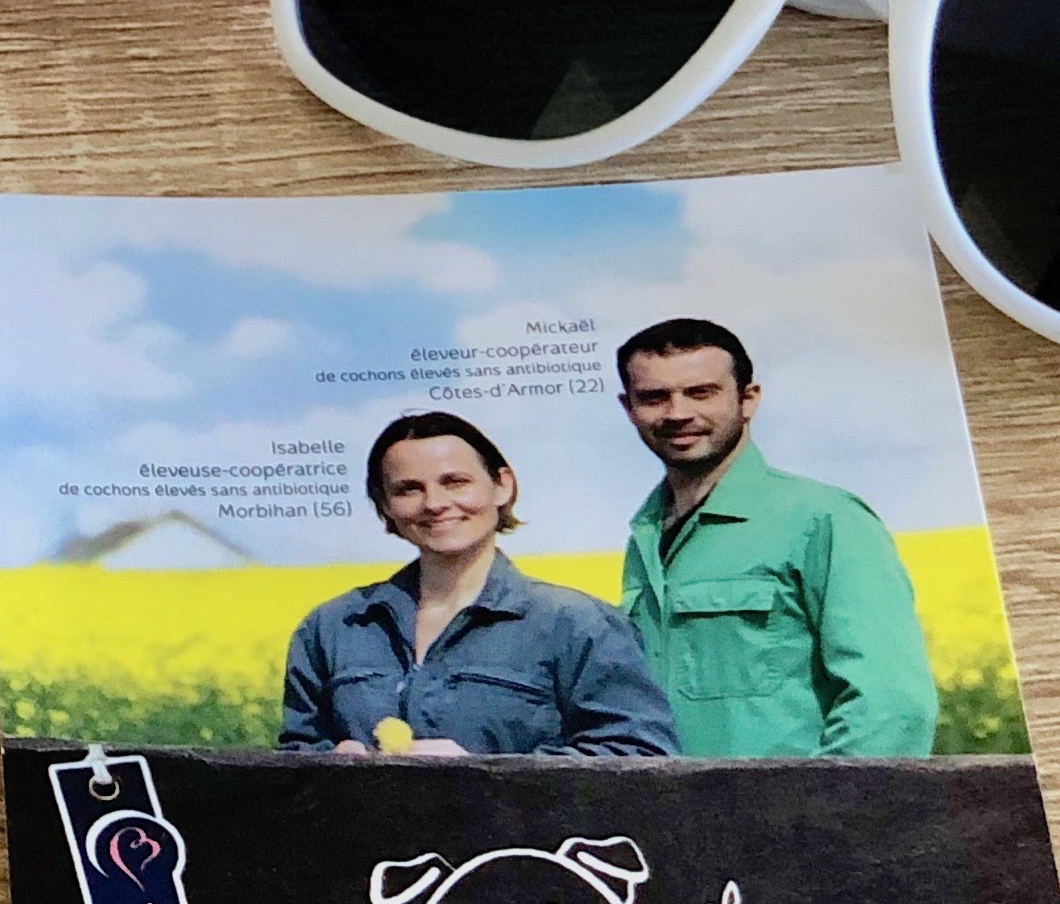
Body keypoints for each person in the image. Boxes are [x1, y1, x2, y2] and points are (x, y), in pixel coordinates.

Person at [613, 319, 936, 757]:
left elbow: (892, 708)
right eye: (654, 398)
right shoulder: (646, 534)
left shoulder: (824, 519)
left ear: (748, 400)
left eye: (701, 393)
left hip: (790, 801)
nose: (677, 413)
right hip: (668, 799)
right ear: (628, 407)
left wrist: (822, 801)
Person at [280, 411, 675, 757]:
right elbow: (293, 764)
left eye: (455, 482)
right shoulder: (333, 627)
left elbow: (639, 755)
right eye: (408, 489)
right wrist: (328, 764)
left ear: (502, 485)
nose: (434, 503)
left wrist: (481, 774)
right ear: (384, 504)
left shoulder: (577, 624)